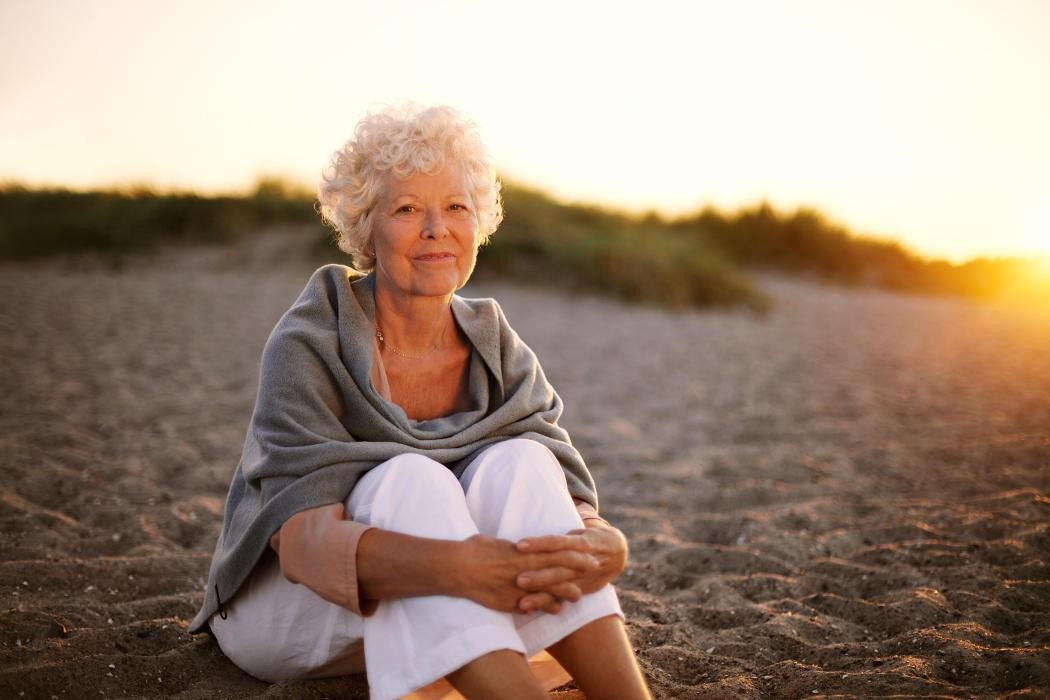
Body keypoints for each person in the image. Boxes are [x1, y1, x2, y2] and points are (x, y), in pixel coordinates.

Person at [190, 105, 651, 700]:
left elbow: (557, 491)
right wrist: (457, 568)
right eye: (408, 209)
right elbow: (302, 545)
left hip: (455, 600)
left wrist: (601, 540)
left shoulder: (495, 344)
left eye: (456, 207)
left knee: (523, 463)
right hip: (290, 612)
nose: (437, 229)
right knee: (411, 478)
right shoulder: (311, 341)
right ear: (366, 227)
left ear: (478, 221)